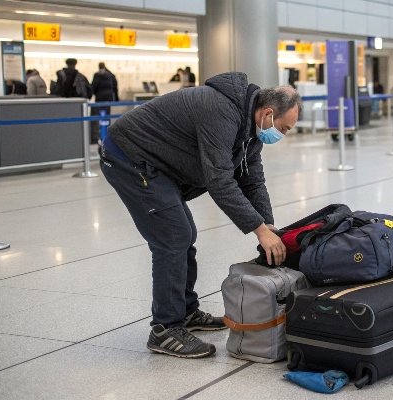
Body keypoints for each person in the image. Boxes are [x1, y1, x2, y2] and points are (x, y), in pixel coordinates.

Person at [100, 72, 301, 358]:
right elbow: (219, 180)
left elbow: (252, 180)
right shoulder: (220, 110)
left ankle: (185, 311)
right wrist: (258, 230)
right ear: (268, 112)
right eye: (285, 127)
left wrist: (268, 225)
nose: (283, 134)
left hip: (159, 163)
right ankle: (165, 329)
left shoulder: (251, 127)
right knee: (173, 235)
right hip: (130, 157)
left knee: (185, 233)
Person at [91, 62, 119, 143]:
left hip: (100, 99)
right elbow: (115, 88)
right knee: (107, 117)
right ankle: (108, 135)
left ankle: (100, 136)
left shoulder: (97, 75)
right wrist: (116, 99)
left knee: (100, 118)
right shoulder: (111, 75)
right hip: (109, 99)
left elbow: (93, 86)